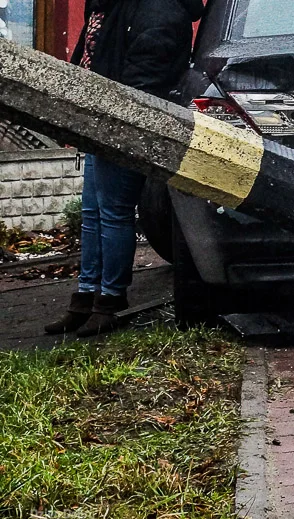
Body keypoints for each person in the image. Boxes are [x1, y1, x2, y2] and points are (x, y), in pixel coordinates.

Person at [45, 0, 205, 337]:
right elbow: (88, 59)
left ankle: (109, 300)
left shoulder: (158, 10)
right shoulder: (110, 6)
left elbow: (147, 76)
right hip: (98, 122)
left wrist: (114, 118)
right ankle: (85, 297)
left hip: (122, 125)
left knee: (113, 212)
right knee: (93, 214)